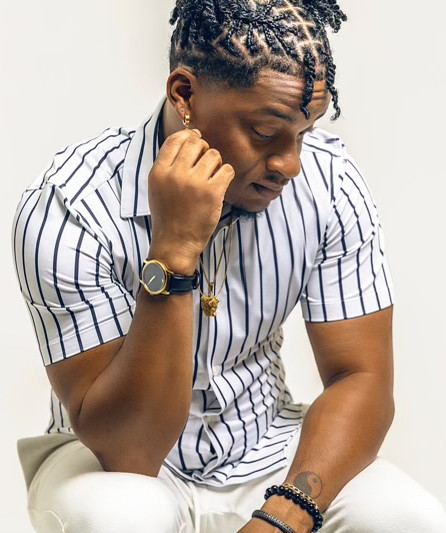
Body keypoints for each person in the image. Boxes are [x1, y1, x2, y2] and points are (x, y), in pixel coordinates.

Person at [11, 1, 446, 532]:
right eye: (264, 132)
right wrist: (174, 251)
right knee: (120, 516)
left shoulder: (330, 183)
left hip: (267, 448)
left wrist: (285, 514)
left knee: (407, 517)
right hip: (104, 461)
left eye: (304, 132)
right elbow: (130, 449)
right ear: (184, 95)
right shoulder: (72, 207)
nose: (291, 164)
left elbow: (362, 378)